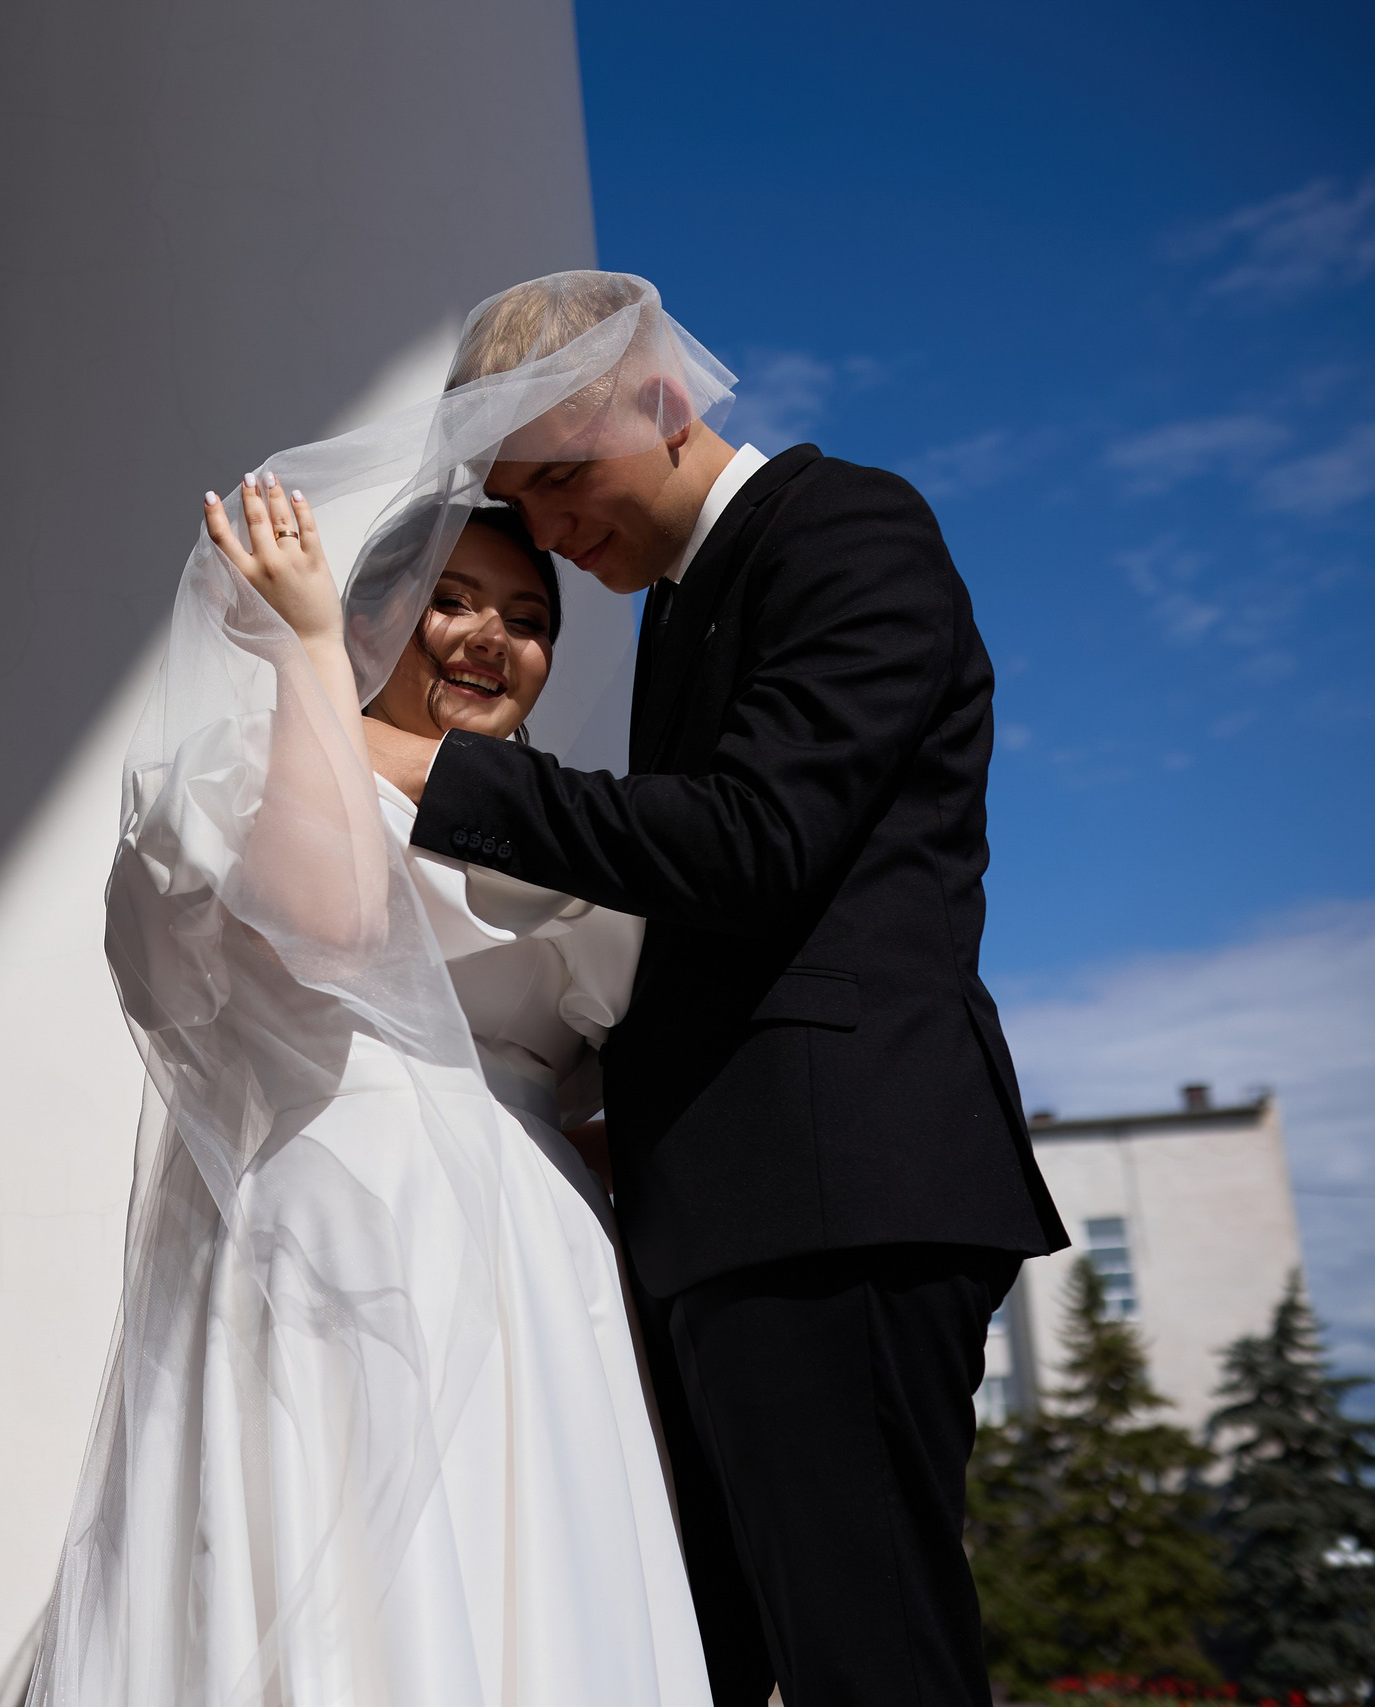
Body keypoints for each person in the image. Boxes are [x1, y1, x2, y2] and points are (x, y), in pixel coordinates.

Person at [350, 271, 1070, 1706]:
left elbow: (756, 842)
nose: (547, 530)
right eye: (519, 496)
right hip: (721, 1214)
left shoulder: (849, 529)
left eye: (559, 480)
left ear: (664, 402)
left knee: (871, 1660)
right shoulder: (679, 619)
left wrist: (429, 771)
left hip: (837, 1195)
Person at [28, 311, 722, 1702]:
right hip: (349, 1242)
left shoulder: (568, 840)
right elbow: (339, 922)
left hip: (534, 1272)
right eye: (455, 600)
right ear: (371, 618)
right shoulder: (241, 771)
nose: (494, 640)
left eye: (531, 621)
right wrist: (298, 654)